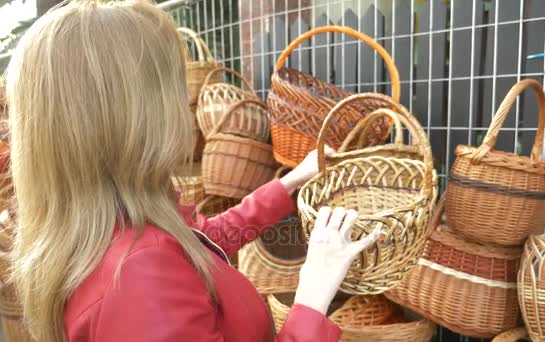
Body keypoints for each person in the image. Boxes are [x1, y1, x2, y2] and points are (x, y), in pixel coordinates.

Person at [4, 0, 382, 341]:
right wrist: (313, 295)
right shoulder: (137, 278)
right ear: (130, 119)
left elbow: (202, 240)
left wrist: (288, 184)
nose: (186, 107)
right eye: (173, 91)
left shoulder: (108, 224)